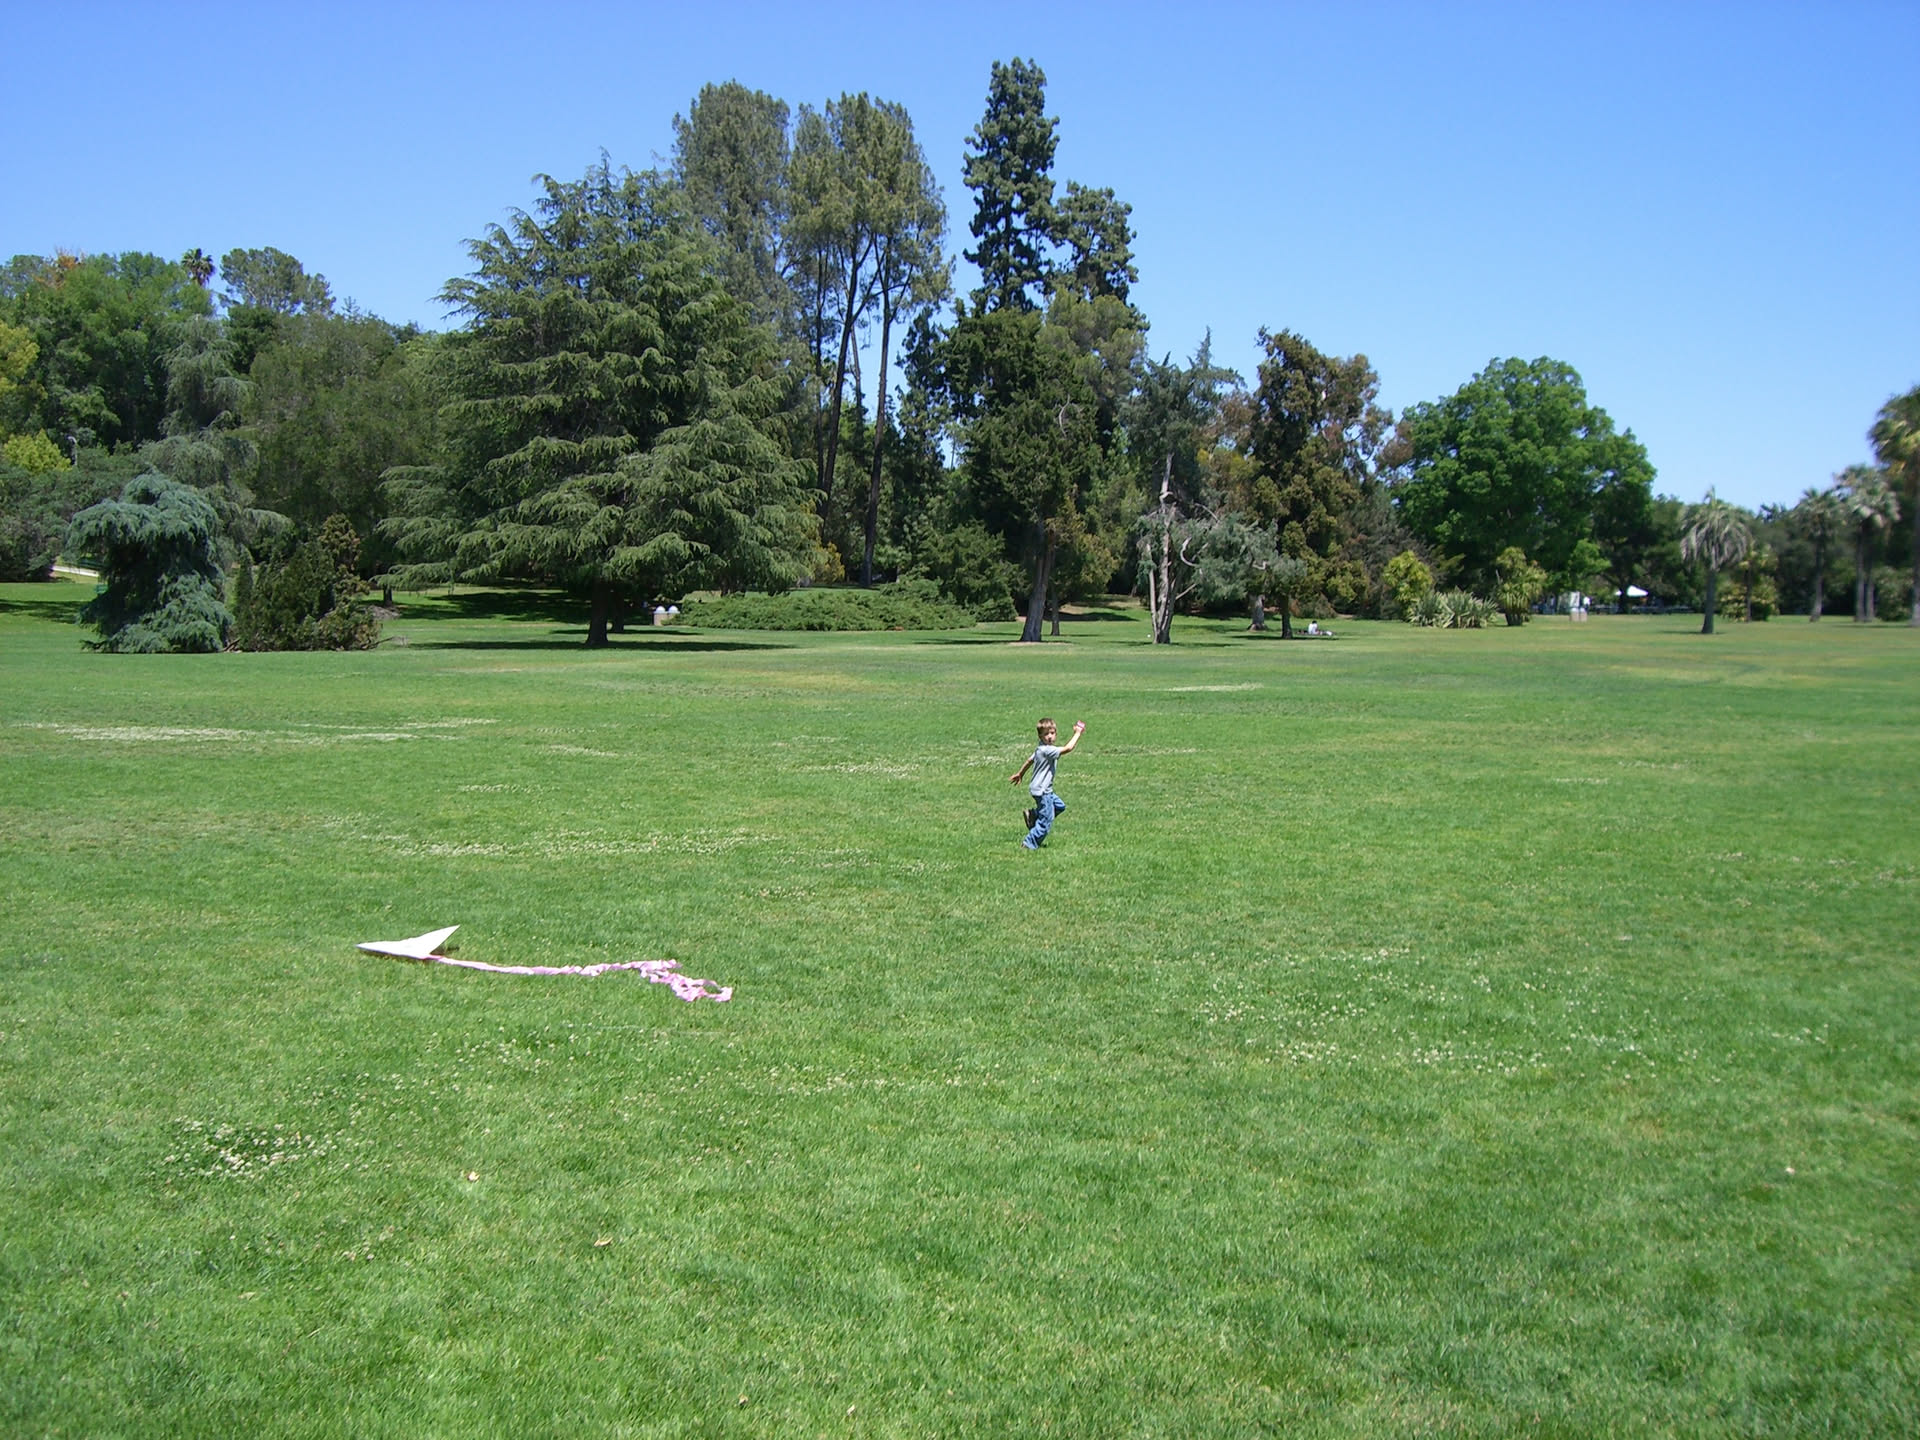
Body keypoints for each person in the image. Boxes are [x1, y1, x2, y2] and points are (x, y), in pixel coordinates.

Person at [1009, 717, 1084, 849]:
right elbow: (1068, 748)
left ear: (1056, 734)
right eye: (1046, 734)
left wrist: (1020, 774)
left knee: (1059, 806)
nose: (1049, 736)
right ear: (1040, 736)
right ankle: (1028, 843)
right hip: (1043, 791)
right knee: (1046, 821)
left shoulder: (1040, 748)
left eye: (1052, 733)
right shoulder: (1047, 750)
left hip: (1040, 789)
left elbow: (1029, 760)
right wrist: (1078, 733)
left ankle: (1034, 815)